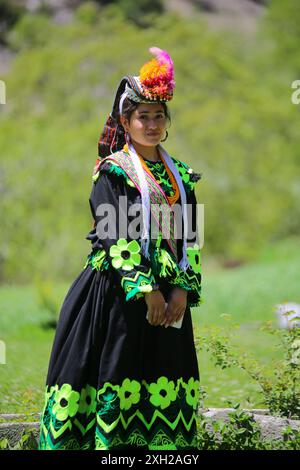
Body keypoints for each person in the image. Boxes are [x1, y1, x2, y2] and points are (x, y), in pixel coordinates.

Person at [38, 47, 203, 450]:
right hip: (116, 296)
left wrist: (180, 289)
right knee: (116, 375)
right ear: (125, 122)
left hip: (168, 300)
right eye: (142, 116)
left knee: (162, 388)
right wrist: (146, 290)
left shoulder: (180, 176)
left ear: (167, 123)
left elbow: (190, 236)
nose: (151, 123)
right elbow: (117, 238)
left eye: (158, 116)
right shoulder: (114, 172)